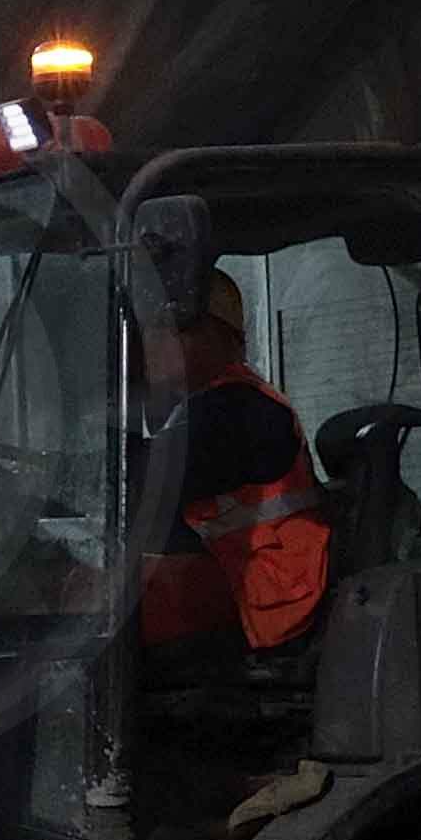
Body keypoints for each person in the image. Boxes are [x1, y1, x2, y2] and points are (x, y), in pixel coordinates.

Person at [131, 284, 336, 667]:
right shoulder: (211, 405)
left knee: (87, 612)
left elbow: (142, 479)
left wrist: (57, 474)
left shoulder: (240, 409)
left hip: (263, 594)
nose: (151, 342)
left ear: (219, 335)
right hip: (237, 579)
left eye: (169, 327)